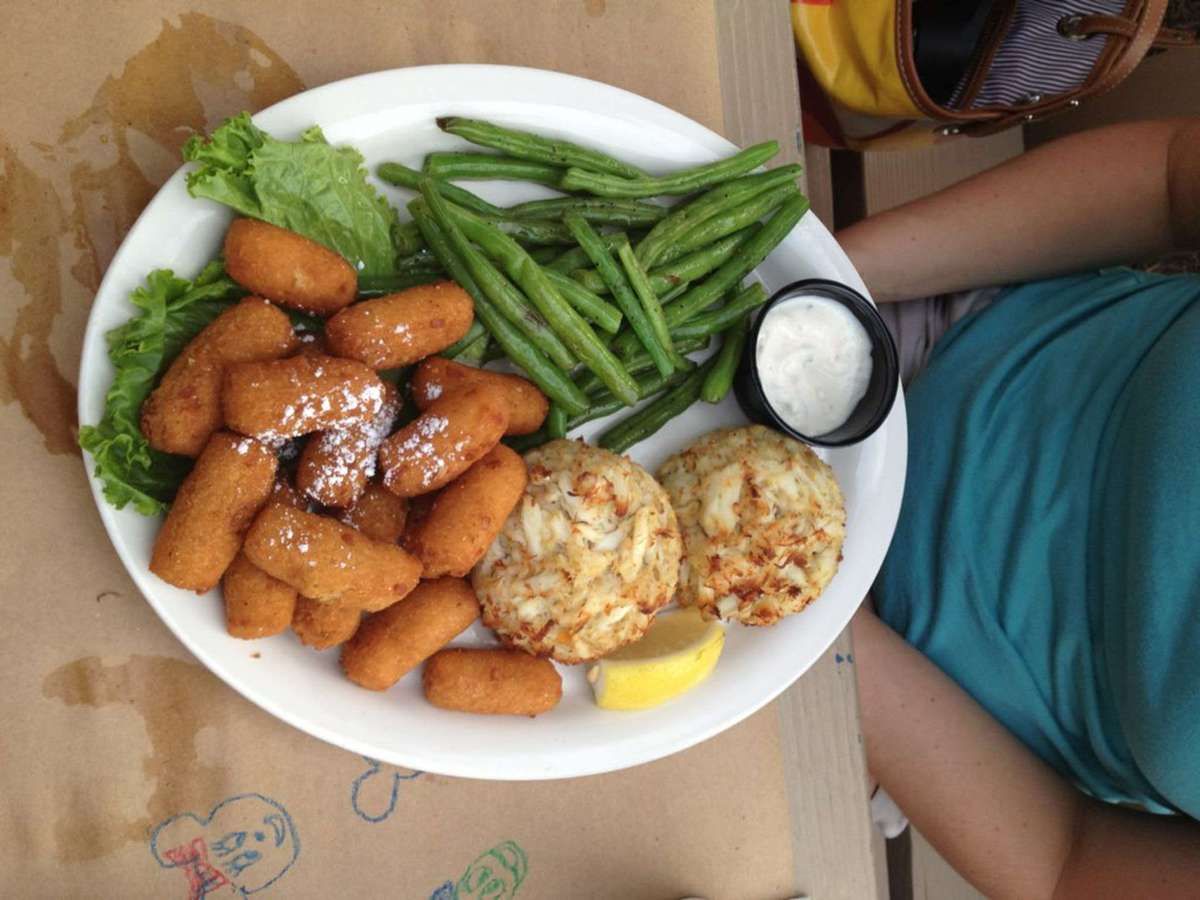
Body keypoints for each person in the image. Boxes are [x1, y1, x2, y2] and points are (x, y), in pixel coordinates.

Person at [836, 115, 1200, 899]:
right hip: (918, 334)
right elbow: (1171, 179)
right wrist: (844, 279)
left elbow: (1064, 861)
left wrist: (834, 641)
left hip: (903, 709)